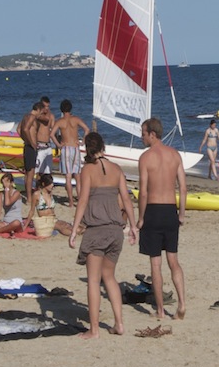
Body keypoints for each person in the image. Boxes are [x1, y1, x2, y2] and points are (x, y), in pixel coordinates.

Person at [69, 132, 137, 338]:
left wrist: (74, 229)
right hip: (116, 230)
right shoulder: (116, 169)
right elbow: (126, 200)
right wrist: (133, 226)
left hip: (97, 230)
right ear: (103, 147)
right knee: (109, 277)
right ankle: (119, 324)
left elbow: (82, 201)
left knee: (93, 279)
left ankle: (95, 329)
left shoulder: (87, 170)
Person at [137, 117, 186, 321]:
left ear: (152, 134)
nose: (141, 137)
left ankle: (159, 310)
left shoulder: (146, 158)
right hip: (170, 210)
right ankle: (182, 304)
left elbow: (144, 192)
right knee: (173, 260)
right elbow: (183, 188)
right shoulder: (174, 155)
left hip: (153, 211)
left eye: (143, 133)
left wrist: (140, 218)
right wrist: (181, 213)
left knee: (156, 264)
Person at [53, 99, 89, 208]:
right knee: (77, 176)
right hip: (75, 147)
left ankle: (71, 202)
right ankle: (79, 200)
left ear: (61, 110)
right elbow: (87, 129)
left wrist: (58, 145)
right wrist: (83, 141)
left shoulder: (60, 121)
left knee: (68, 177)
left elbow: (51, 134)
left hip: (66, 148)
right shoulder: (76, 119)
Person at [18, 101, 43, 205]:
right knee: (30, 173)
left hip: (27, 146)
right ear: (38, 109)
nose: (40, 114)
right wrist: (31, 142)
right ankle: (28, 198)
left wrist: (25, 140)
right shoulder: (32, 117)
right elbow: (24, 129)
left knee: (28, 173)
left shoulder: (25, 116)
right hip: (30, 147)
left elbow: (18, 129)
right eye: (40, 112)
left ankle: (28, 196)